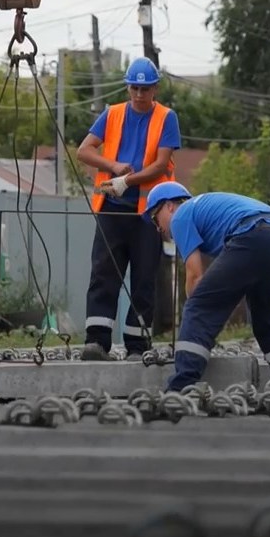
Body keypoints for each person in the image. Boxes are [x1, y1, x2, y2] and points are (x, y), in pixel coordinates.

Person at [141, 182, 270, 392]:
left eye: (154, 217)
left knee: (199, 306)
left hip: (253, 233)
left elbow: (195, 275)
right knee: (263, 316)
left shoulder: (181, 216)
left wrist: (195, 320)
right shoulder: (203, 208)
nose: (158, 228)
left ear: (169, 206)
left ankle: (181, 385)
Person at [75, 57, 181, 362]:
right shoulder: (113, 115)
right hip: (112, 207)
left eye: (145, 89)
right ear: (127, 88)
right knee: (103, 274)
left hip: (147, 212)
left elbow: (161, 165)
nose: (139, 94)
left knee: (144, 278)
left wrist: (128, 180)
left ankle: (137, 346)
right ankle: (96, 341)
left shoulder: (166, 117)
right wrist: (114, 169)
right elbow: (84, 150)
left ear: (154, 89)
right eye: (134, 88)